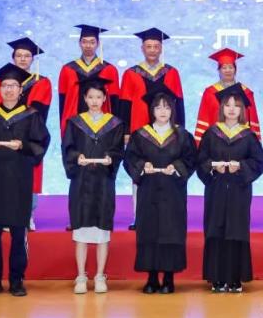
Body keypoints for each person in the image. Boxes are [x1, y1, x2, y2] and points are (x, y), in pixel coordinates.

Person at [0, 63, 50, 297]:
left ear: (20, 90)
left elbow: (41, 143)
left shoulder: (31, 116)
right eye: (4, 85)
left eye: (13, 85)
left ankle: (17, 280)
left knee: (18, 233)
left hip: (19, 180)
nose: (8, 89)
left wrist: (23, 145)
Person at [123, 86, 196, 295]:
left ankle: (169, 278)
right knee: (149, 231)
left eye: (167, 107)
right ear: (152, 111)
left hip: (173, 192)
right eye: (158, 107)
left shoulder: (182, 135)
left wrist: (177, 167)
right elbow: (130, 159)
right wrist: (142, 166)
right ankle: (152, 277)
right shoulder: (140, 135)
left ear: (172, 110)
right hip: (149, 191)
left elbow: (191, 159)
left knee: (171, 231)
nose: (163, 111)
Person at [197, 83, 263, 293]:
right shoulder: (211, 133)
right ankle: (217, 278)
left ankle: (235, 278)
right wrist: (212, 167)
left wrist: (241, 167)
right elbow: (200, 160)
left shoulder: (248, 135)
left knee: (236, 230)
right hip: (216, 189)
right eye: (228, 105)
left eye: (236, 105)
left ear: (242, 109)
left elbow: (259, 163)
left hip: (239, 190)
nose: (232, 109)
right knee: (216, 229)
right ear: (222, 108)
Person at [61, 77, 125, 295]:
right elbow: (68, 148)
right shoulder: (75, 123)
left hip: (103, 182)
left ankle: (99, 275)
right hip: (81, 181)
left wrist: (110, 159)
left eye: (99, 97)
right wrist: (76, 157)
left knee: (102, 232)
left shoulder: (115, 123)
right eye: (91, 97)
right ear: (85, 99)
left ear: (105, 98)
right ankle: (81, 275)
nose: (95, 101)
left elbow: (118, 150)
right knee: (80, 231)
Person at [119, 27, 185, 231]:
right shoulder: (131, 73)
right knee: (140, 171)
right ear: (142, 48)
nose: (153, 50)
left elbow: (179, 102)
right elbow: (124, 104)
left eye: (156, 46)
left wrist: (180, 130)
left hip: (167, 131)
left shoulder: (171, 72)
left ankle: (166, 216)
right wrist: (125, 132)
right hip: (140, 131)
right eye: (149, 46)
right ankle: (139, 216)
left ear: (161, 48)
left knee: (166, 171)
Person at [0, 37, 52, 231]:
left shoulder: (42, 82)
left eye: (27, 56)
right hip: (4, 135)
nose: (23, 59)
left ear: (33, 59)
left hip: (29, 136)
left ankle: (28, 215)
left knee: (29, 175)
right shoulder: (2, 82)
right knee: (5, 174)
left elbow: (39, 112)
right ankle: (5, 215)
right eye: (19, 55)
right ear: (13, 58)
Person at [58, 24, 120, 137]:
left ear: (98, 44)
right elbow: (62, 103)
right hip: (74, 124)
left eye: (92, 42)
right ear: (79, 43)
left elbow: (115, 103)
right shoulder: (67, 69)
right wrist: (63, 127)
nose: (88, 45)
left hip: (102, 127)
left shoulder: (109, 69)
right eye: (84, 42)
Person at [194, 48, 261, 145]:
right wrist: (200, 145)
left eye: (231, 67)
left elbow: (253, 121)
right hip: (215, 142)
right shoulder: (210, 93)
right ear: (219, 70)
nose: (227, 70)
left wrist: (255, 145)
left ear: (235, 70)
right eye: (224, 68)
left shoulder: (246, 93)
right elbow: (204, 119)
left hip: (241, 143)